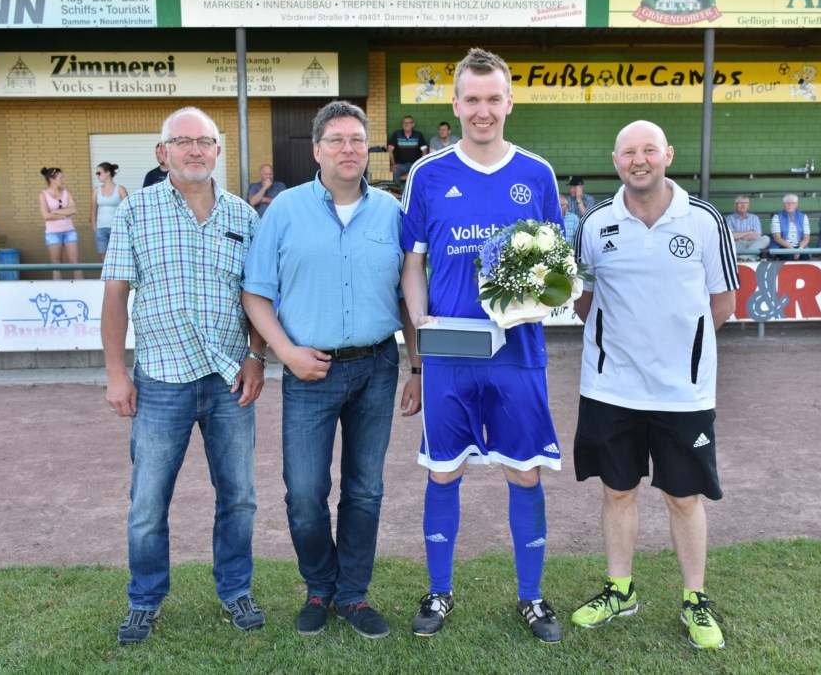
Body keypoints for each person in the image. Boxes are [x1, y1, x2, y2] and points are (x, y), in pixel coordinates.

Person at [400, 48, 565, 644]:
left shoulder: (537, 174)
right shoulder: (427, 174)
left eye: (493, 98)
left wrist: (526, 299)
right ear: (455, 105)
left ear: (509, 102)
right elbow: (411, 264)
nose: (483, 110)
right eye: (472, 99)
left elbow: (554, 272)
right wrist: (421, 332)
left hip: (517, 354)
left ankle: (531, 597)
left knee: (525, 473)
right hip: (450, 355)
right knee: (443, 474)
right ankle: (439, 592)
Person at [242, 100, 421, 640]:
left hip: (376, 367)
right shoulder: (285, 210)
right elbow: (256, 293)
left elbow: (410, 293)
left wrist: (419, 366)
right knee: (303, 493)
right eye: (338, 139)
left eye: (358, 140)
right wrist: (285, 353)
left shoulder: (391, 212)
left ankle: (353, 595)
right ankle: (319, 586)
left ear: (370, 150)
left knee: (365, 490)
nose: (349, 149)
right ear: (317, 149)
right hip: (308, 371)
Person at [101, 107, 268, 645]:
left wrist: (256, 356)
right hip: (160, 382)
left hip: (228, 382)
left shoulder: (244, 216)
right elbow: (114, 299)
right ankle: (145, 600)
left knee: (238, 496)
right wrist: (115, 374)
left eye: (205, 141)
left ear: (219, 150)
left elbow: (259, 298)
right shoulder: (136, 212)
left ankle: (235, 590)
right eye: (183, 141)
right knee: (148, 503)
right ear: (163, 152)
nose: (195, 150)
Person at [570, 120, 738, 651]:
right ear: (615, 160)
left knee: (683, 497)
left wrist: (677, 350)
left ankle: (694, 599)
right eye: (627, 152)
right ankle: (620, 589)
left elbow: (724, 303)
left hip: (682, 391)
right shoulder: (596, 223)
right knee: (617, 490)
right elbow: (582, 297)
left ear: (668, 154)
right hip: (610, 386)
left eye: (648, 150)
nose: (638, 160)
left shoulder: (706, 221)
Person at [38, 167, 82, 280]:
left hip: (69, 231)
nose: (63, 179)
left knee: (75, 262)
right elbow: (46, 215)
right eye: (60, 177)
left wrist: (56, 212)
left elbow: (74, 210)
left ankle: (81, 288)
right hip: (53, 233)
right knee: (56, 264)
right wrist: (64, 215)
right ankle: (58, 290)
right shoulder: (43, 195)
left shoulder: (67, 192)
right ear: (52, 179)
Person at [90, 162, 128, 260]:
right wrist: (94, 227)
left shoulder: (120, 189)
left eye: (99, 173)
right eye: (96, 173)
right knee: (104, 257)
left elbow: (128, 209)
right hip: (100, 228)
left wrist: (125, 227)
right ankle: (108, 276)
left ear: (108, 173)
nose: (97, 175)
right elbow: (93, 209)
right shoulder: (96, 190)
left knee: (118, 256)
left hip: (117, 228)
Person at [724, 195, 770, 260]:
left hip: (753, 243)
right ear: (735, 205)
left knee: (766, 238)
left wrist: (739, 235)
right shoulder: (729, 219)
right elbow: (731, 236)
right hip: (737, 243)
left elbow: (757, 236)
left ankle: (744, 257)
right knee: (731, 244)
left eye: (745, 203)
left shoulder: (754, 218)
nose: (743, 205)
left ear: (748, 205)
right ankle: (750, 257)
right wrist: (749, 232)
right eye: (740, 203)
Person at [770, 193, 811, 260]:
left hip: (800, 246)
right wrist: (792, 249)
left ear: (796, 205)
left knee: (805, 256)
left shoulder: (803, 217)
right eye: (787, 203)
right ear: (783, 205)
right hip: (782, 246)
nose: (789, 205)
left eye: (792, 203)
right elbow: (777, 238)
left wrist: (800, 249)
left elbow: (806, 238)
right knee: (788, 255)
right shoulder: (777, 217)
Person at [387, 115, 427, 182]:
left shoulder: (418, 135)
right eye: (404, 123)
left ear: (413, 124)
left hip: (414, 164)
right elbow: (389, 149)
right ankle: (398, 192)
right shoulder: (397, 134)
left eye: (408, 122)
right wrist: (393, 164)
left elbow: (425, 151)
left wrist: (420, 165)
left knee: (422, 173)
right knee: (394, 171)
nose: (406, 124)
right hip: (400, 165)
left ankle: (415, 191)